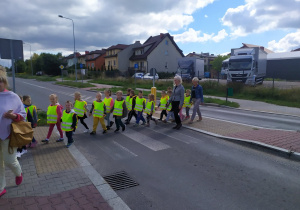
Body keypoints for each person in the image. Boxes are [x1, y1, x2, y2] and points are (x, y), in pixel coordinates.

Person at [0, 69, 26, 197]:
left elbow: (23, 115)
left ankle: (18, 172)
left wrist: (13, 115)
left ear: (4, 82)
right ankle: (1, 187)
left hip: (8, 135)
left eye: (0, 81)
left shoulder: (13, 96)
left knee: (9, 160)